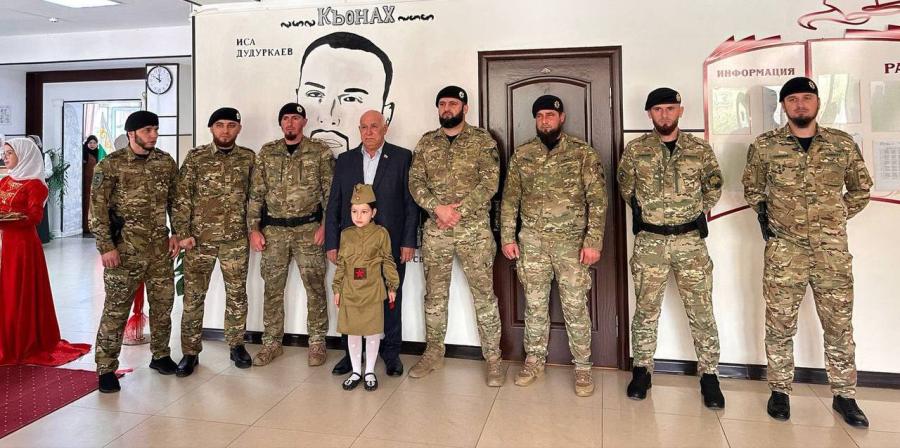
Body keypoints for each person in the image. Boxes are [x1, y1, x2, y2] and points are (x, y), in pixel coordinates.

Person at [742, 77, 872, 427]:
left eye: (806, 98)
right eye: (793, 99)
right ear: (783, 105)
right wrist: (772, 218)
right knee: (780, 324)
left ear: (817, 102)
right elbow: (752, 189)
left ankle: (844, 395)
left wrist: (835, 215)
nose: (800, 104)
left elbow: (861, 189)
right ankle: (779, 391)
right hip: (785, 253)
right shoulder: (766, 146)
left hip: (831, 253)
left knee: (839, 326)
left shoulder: (841, 144)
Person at [617, 88, 725, 409]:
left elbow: (714, 187)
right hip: (650, 241)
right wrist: (654, 214)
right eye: (658, 110)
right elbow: (627, 189)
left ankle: (709, 374)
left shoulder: (699, 150)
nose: (664, 115)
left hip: (690, 241)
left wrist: (689, 212)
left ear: (680, 110)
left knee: (701, 309)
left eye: (670, 108)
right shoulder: (636, 150)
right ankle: (642, 370)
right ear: (649, 114)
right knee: (646, 309)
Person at [500, 95, 607, 397]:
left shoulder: (582, 153)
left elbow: (598, 201)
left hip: (571, 245)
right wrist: (507, 236)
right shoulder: (523, 155)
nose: (544, 121)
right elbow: (510, 200)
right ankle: (534, 361)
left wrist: (593, 241)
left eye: (550, 115)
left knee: (575, 306)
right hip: (532, 243)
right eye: (540, 116)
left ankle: (583, 367)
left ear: (561, 118)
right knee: (534, 305)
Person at [407, 85, 504, 386]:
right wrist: (437, 208)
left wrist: (458, 211)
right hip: (437, 230)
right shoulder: (427, 143)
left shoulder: (482, 141)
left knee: (484, 296)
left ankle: (494, 359)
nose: (447, 108)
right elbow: (415, 182)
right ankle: (433, 352)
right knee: (434, 296)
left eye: (453, 103)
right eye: (442, 104)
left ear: (465, 108)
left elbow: (490, 183)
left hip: (474, 231)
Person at [91, 111, 180, 393]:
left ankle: (161, 355)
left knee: (163, 306)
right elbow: (97, 211)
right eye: (147, 130)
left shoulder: (165, 162)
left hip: (159, 250)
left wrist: (177, 232)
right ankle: (106, 367)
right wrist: (106, 247)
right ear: (131, 134)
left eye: (155, 129)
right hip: (124, 251)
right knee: (116, 309)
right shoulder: (110, 165)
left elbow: (176, 201)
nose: (153, 135)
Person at [327, 110, 418, 377]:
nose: (368, 132)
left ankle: (391, 353)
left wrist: (408, 241)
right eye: (364, 127)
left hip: (388, 244)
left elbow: (410, 203)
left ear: (385, 128)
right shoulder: (345, 160)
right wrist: (332, 242)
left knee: (390, 297)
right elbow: (334, 203)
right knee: (351, 300)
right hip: (352, 247)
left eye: (374, 126)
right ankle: (351, 356)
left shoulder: (401, 157)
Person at [171, 107, 255, 376]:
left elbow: (255, 198)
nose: (225, 130)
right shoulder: (196, 157)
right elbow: (182, 197)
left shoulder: (248, 158)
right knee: (193, 298)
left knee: (237, 295)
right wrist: (182, 234)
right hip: (199, 241)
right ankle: (190, 352)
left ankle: (236, 345)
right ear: (211, 128)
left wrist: (253, 229)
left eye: (231, 125)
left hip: (235, 240)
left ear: (238, 128)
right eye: (220, 125)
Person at [248, 103, 333, 367]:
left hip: (309, 230)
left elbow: (331, 193)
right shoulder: (267, 152)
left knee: (315, 287)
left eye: (295, 118)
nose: (290, 123)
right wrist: (253, 229)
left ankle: (317, 342)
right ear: (280, 123)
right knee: (272, 290)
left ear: (304, 122)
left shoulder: (319, 151)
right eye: (285, 118)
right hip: (274, 231)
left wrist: (326, 226)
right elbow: (256, 194)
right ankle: (272, 343)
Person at [0, 138, 91, 366]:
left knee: (20, 290)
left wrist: (10, 218)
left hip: (23, 246)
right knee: (7, 290)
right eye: (4, 153)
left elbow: (34, 217)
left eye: (9, 153)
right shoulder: (5, 181)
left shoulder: (36, 185)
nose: (5, 157)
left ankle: (24, 342)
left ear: (24, 155)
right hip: (6, 243)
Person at [333, 184, 400, 391]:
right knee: (352, 333)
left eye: (364, 211)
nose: (358, 216)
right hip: (350, 291)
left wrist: (392, 286)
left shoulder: (381, 234)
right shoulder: (346, 234)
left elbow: (388, 261)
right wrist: (337, 288)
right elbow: (341, 264)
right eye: (354, 211)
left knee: (372, 333)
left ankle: (369, 371)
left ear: (374, 212)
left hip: (372, 290)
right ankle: (356, 371)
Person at [296, 32, 395, 157]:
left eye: (350, 98)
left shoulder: (399, 159)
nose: (328, 117)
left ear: (386, 116)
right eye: (315, 94)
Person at [82, 135, 100, 233]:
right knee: (87, 203)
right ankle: (86, 226)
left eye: (94, 143)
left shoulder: (99, 153)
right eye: (90, 143)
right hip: (87, 184)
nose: (92, 145)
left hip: (97, 183)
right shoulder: (85, 153)